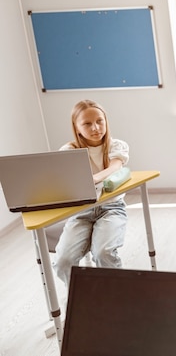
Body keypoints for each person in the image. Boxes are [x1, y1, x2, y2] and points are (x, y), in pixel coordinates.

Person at [53, 100, 130, 287]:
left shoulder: (117, 146)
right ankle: (83, 299)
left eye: (99, 121)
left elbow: (115, 167)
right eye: (87, 124)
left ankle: (118, 297)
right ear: (76, 128)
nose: (95, 128)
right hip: (81, 213)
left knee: (103, 253)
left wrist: (94, 179)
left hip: (111, 208)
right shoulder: (68, 151)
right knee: (63, 261)